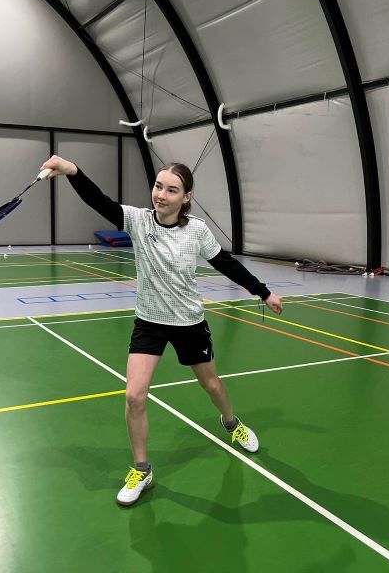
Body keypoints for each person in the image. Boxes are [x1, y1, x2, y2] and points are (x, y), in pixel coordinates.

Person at [40, 155, 283, 506]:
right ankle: (143, 469)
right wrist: (71, 171)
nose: (161, 195)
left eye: (171, 190)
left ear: (186, 197)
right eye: (158, 186)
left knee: (212, 385)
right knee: (134, 396)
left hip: (189, 323)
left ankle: (231, 423)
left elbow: (225, 263)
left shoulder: (196, 230)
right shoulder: (138, 220)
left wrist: (263, 292)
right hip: (150, 322)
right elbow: (99, 201)